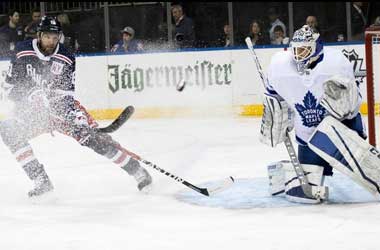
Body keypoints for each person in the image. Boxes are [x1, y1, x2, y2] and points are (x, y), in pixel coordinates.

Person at [0, 16, 152, 198]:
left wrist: (74, 115)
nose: (51, 41)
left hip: (59, 110)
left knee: (96, 139)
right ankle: (41, 180)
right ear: (39, 35)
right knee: (8, 130)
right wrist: (30, 95)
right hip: (33, 114)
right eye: (48, 37)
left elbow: (66, 95)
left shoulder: (66, 57)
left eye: (55, 37)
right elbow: (8, 89)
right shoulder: (22, 51)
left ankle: (137, 170)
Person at [260, 25, 372, 204]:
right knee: (310, 191)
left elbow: (354, 102)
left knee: (370, 172)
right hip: (307, 134)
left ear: (316, 49)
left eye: (304, 50)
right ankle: (292, 175)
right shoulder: (280, 66)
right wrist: (277, 118)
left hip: (341, 130)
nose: (298, 55)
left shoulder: (336, 63)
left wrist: (343, 106)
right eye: (295, 50)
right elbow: (273, 96)